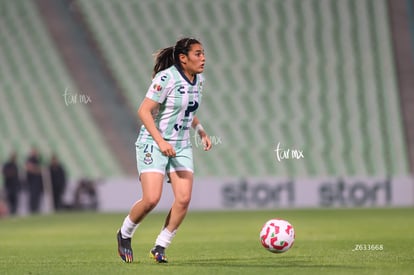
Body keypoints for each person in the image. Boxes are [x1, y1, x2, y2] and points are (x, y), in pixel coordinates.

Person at [117, 37, 212, 264]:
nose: (203, 58)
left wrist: (200, 131)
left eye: (203, 53)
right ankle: (125, 233)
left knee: (184, 198)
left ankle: (160, 246)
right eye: (198, 54)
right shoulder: (166, 78)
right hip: (153, 141)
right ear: (183, 58)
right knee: (151, 199)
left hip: (181, 145)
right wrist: (160, 142)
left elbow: (187, 109)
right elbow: (144, 111)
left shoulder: (198, 80)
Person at [25, 147, 44, 214]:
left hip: (38, 182)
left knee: (37, 197)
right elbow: (29, 168)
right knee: (33, 197)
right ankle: (32, 210)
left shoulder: (38, 160)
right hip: (32, 182)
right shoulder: (30, 159)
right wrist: (37, 169)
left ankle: (36, 210)